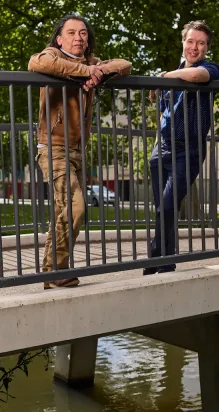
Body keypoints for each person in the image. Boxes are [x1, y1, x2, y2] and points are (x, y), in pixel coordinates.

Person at [28, 14, 132, 288]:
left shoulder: (91, 62)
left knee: (66, 209)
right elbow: (37, 62)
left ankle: (52, 271)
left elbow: (125, 65)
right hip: (52, 147)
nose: (78, 37)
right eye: (72, 33)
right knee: (75, 207)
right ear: (60, 38)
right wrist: (86, 73)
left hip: (76, 149)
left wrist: (99, 72)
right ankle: (53, 271)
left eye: (83, 33)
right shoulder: (52, 55)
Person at [145, 20, 219, 275]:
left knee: (168, 205)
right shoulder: (175, 72)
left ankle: (157, 261)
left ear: (206, 48)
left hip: (188, 150)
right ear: (183, 42)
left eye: (201, 43)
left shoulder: (209, 68)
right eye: (190, 41)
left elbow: (198, 76)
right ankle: (162, 261)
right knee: (161, 208)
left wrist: (164, 77)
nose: (194, 47)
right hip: (163, 147)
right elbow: (164, 111)